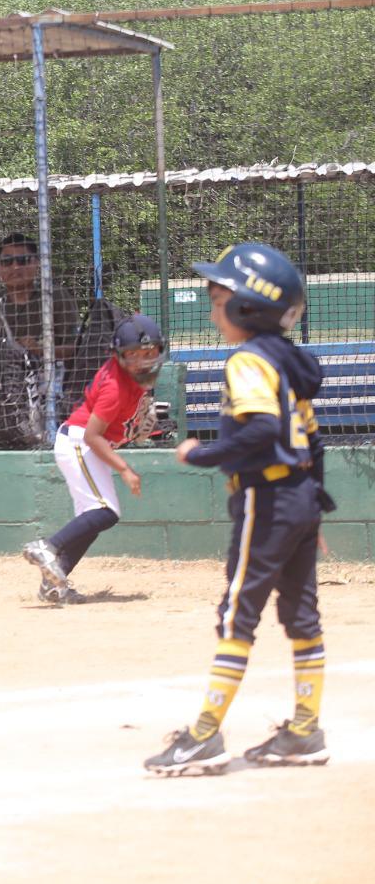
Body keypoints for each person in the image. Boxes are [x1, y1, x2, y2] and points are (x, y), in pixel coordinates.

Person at [145, 243, 333, 776]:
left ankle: (204, 736)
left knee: (237, 615)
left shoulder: (248, 359)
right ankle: (304, 730)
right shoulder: (290, 360)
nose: (212, 310)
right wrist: (312, 507)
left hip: (267, 501)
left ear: (248, 308)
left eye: (218, 298)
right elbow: (310, 441)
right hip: (297, 499)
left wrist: (200, 453)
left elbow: (261, 430)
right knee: (301, 615)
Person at [22, 314, 166, 604]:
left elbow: (121, 427)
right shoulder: (115, 386)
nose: (141, 361)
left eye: (148, 354)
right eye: (132, 355)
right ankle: (47, 547)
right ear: (118, 356)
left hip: (84, 444)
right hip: (79, 442)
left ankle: (55, 583)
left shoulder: (133, 379)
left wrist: (137, 431)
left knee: (94, 519)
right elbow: (93, 436)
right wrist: (124, 469)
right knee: (106, 512)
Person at [0, 233, 77, 364]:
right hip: (1, 379)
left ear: (36, 263)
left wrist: (41, 350)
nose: (15, 267)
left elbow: (76, 347)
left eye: (23, 260)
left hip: (51, 378)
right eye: (7, 261)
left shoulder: (56, 297)